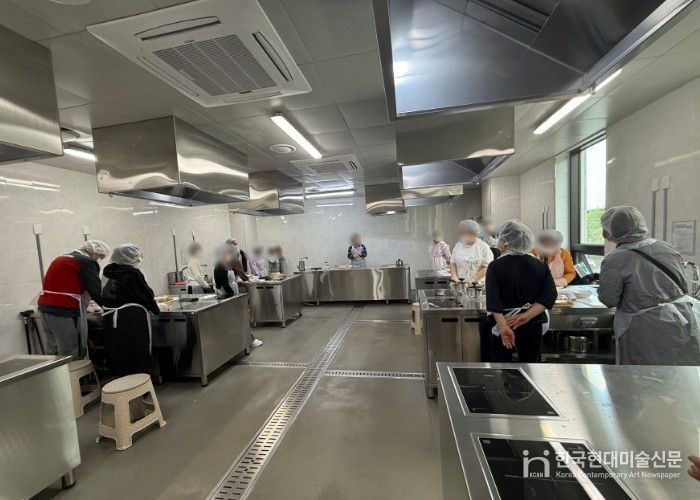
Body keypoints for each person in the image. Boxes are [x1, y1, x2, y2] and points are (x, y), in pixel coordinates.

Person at [597, 206, 700, 365]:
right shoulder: (666, 247)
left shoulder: (615, 259)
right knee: (679, 371)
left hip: (646, 327)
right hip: (681, 318)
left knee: (644, 374)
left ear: (613, 230)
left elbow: (609, 299)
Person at [486, 220, 557, 363]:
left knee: (503, 366)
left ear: (505, 242)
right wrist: (526, 316)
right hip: (533, 323)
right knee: (530, 366)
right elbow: (550, 295)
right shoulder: (540, 266)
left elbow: (493, 301)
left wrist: (503, 327)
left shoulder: (495, 266)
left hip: (505, 321)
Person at [38, 240, 110, 359]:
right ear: (94, 253)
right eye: (99, 257)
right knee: (73, 352)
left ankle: (57, 372)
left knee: (54, 353)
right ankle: (74, 372)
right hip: (65, 312)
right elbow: (96, 291)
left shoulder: (61, 258)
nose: (98, 261)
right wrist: (109, 308)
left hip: (45, 309)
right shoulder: (86, 262)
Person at [102, 244, 163, 376]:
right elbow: (145, 295)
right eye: (136, 257)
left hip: (110, 316)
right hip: (132, 318)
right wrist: (156, 310)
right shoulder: (133, 273)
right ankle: (139, 380)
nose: (138, 260)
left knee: (118, 349)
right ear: (128, 258)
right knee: (137, 349)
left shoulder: (107, 271)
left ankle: (122, 379)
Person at [214, 245, 262, 347]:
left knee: (238, 320)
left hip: (232, 295)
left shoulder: (226, 266)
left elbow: (234, 277)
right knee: (238, 320)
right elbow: (224, 284)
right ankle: (247, 341)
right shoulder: (219, 268)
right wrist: (232, 295)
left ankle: (245, 341)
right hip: (227, 297)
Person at [450, 219, 494, 283]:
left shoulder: (483, 247)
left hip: (477, 285)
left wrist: (472, 280)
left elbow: (486, 267)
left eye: (463, 233)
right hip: (459, 283)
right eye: (461, 233)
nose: (462, 236)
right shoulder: (458, 245)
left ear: (473, 233)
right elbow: (452, 262)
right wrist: (454, 276)